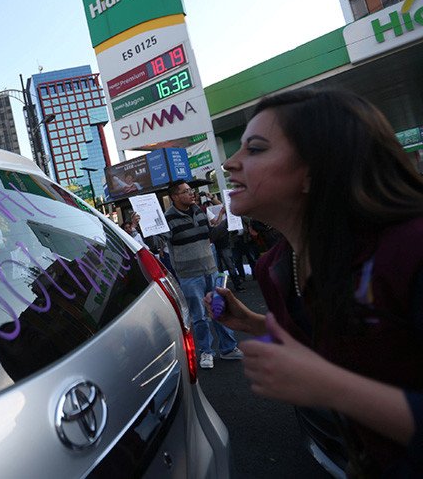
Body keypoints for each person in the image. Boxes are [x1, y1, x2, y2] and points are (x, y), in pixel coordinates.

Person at [209, 89, 423, 475]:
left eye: (255, 149)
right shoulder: (274, 268)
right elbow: (333, 339)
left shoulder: (410, 248)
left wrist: (330, 387)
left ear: (316, 169)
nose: (229, 163)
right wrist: (255, 324)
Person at [161, 180, 242, 369]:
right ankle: (206, 351)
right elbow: (158, 241)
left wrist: (229, 220)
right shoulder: (168, 218)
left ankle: (228, 348)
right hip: (189, 275)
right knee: (199, 317)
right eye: (186, 191)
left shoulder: (199, 211)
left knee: (219, 310)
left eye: (191, 190)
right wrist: (146, 227)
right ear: (174, 196)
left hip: (211, 269)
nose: (192, 193)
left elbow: (211, 235)